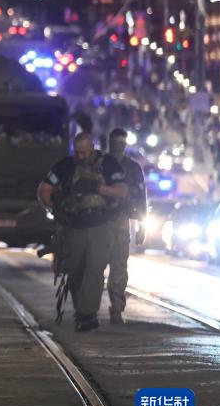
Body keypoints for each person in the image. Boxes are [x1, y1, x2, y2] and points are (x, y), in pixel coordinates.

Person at [37, 132, 127, 332]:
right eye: (77, 152)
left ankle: (87, 314)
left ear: (92, 148)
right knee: (75, 270)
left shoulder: (108, 164)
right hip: (73, 226)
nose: (80, 156)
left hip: (100, 225)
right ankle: (82, 311)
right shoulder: (66, 165)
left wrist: (98, 188)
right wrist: (55, 211)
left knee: (94, 268)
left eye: (84, 152)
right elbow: (44, 190)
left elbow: (121, 191)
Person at [106, 128, 146, 324]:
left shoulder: (133, 168)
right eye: (116, 143)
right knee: (93, 266)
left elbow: (141, 197)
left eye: (122, 143)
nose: (118, 147)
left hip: (121, 220)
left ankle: (116, 308)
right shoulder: (101, 165)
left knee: (119, 267)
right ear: (110, 143)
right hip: (99, 221)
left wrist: (142, 225)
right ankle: (86, 307)